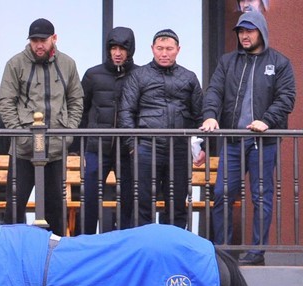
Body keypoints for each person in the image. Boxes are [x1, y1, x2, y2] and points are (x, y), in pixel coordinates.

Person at [201, 10, 296, 266]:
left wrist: (266, 120)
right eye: (241, 31)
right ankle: (223, 249)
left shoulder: (280, 62)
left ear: (261, 32)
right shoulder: (227, 62)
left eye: (249, 30)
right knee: (221, 193)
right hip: (232, 141)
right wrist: (210, 115)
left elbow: (286, 98)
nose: (244, 35)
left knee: (261, 196)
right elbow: (214, 92)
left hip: (262, 143)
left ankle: (256, 252)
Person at [0, 17, 83, 236]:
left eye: (43, 40)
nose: (38, 45)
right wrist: (20, 136)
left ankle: (55, 256)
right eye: (34, 40)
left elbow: (76, 100)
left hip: (55, 150)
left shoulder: (68, 64)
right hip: (23, 152)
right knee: (14, 208)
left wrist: (69, 133)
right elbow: (5, 102)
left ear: (54, 39)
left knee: (56, 209)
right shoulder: (15, 63)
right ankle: (13, 252)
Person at [118, 28, 203, 229]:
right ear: (152, 49)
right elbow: (126, 112)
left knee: (177, 203)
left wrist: (203, 146)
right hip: (146, 147)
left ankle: (172, 247)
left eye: (169, 49)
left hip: (180, 149)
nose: (164, 53)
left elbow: (200, 114)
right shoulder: (138, 76)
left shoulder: (189, 77)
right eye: (160, 48)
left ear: (178, 50)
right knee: (143, 202)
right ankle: (144, 248)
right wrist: (133, 147)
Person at [76, 27, 139, 234]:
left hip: (127, 149)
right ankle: (82, 242)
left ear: (131, 50)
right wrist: (81, 147)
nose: (118, 52)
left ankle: (124, 243)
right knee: (89, 198)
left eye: (122, 48)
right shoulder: (93, 75)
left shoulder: (140, 75)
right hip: (97, 147)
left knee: (128, 199)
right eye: (113, 48)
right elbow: (81, 112)